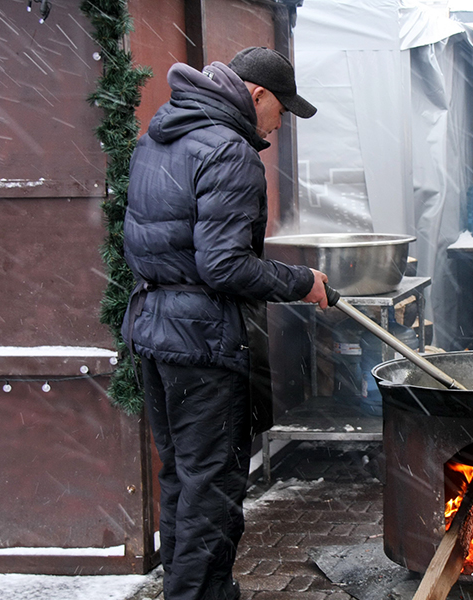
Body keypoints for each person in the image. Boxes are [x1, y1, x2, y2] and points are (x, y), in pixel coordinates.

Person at [121, 47, 327, 600]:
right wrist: (300, 281)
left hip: (153, 331)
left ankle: (203, 592)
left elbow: (146, 244)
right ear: (257, 94)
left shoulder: (160, 136)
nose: (279, 124)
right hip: (202, 343)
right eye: (281, 110)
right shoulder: (230, 150)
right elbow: (224, 264)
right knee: (211, 491)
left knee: (184, 482)